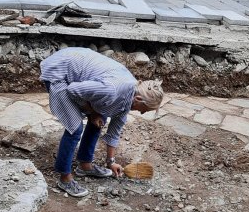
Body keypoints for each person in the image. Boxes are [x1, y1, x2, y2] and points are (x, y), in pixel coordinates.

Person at [40, 48, 164, 197]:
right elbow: (73, 90)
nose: (143, 113)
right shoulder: (111, 90)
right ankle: (64, 178)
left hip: (77, 70)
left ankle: (85, 165)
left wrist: (111, 162)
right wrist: (92, 112)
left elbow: (114, 131)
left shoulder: (130, 94)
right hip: (60, 72)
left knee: (100, 119)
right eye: (144, 109)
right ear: (138, 99)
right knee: (75, 128)